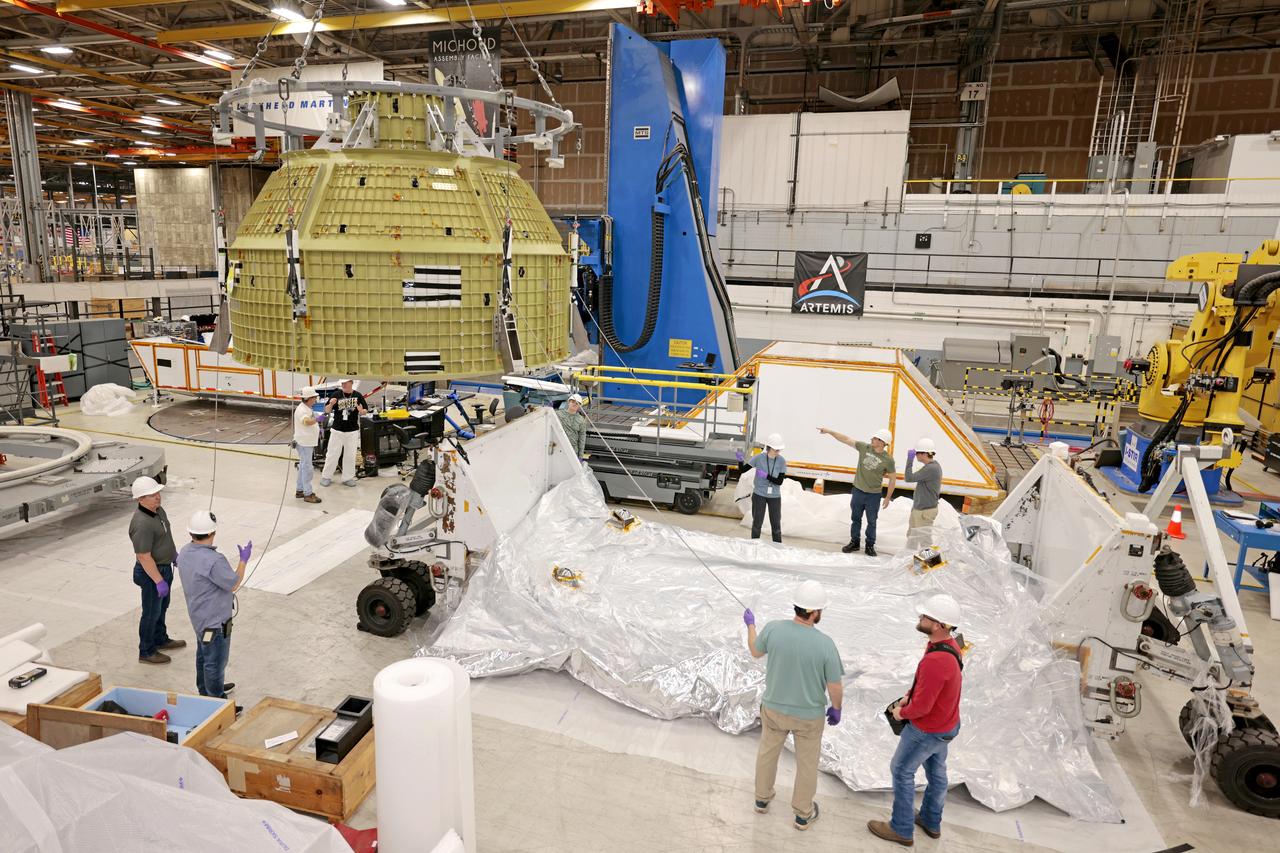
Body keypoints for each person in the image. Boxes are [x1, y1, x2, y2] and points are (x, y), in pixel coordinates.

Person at [745, 580, 845, 832]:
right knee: (807, 764)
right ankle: (802, 814)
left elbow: (755, 651)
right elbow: (835, 685)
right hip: (808, 717)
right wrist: (836, 708)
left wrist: (751, 625)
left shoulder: (774, 629)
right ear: (814, 612)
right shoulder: (825, 644)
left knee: (767, 755)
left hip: (774, 710)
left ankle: (761, 799)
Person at [868, 594, 964, 847]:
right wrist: (911, 694)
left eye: (925, 616)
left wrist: (902, 712)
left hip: (927, 729)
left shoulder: (936, 660)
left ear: (940, 625)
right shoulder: (948, 647)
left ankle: (901, 829)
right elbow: (932, 687)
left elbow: (922, 707)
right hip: (946, 724)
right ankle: (931, 822)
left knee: (901, 771)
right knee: (937, 771)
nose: (920, 618)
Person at [176, 510, 250, 699]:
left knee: (203, 654)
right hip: (215, 623)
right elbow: (233, 583)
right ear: (212, 533)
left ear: (190, 533)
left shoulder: (184, 552)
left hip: (199, 617)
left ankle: (206, 689)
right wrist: (243, 560)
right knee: (215, 661)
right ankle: (216, 700)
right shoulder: (214, 560)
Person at [129, 476, 185, 665]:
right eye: (152, 495)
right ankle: (146, 650)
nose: (157, 497)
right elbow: (143, 556)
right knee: (151, 612)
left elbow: (165, 537)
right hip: (152, 573)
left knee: (162, 607)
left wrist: (173, 555)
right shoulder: (141, 524)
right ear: (140, 499)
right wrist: (158, 580)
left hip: (164, 567)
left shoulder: (158, 511)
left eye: (157, 493)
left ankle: (160, 638)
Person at [818, 426, 896, 557]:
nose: (872, 439)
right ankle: (854, 542)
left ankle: (870, 545)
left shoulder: (888, 460)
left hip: (874, 495)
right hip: (858, 491)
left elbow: (893, 480)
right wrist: (830, 431)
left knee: (872, 521)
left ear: (882, 442)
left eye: (875, 438)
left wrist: (888, 498)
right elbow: (846, 439)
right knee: (855, 518)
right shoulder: (864, 447)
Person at [737, 433, 786, 543]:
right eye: (776, 449)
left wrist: (766, 476)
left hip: (775, 496)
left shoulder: (782, 461)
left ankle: (777, 551)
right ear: (769, 447)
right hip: (759, 495)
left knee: (776, 527)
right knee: (757, 524)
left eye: (779, 449)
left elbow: (779, 482)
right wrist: (739, 459)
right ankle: (755, 547)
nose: (778, 451)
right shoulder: (758, 458)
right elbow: (742, 471)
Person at [321, 378, 368, 487]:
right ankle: (326, 476)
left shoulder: (358, 395)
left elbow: (364, 411)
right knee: (332, 454)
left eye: (345, 383)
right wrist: (331, 404)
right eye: (342, 383)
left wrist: (361, 411)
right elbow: (327, 410)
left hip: (352, 431)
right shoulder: (336, 394)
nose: (343, 385)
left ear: (351, 383)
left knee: (350, 455)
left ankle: (348, 477)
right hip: (337, 430)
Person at [904, 438, 942, 548]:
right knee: (912, 538)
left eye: (917, 453)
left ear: (924, 454)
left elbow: (909, 477)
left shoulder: (931, 468)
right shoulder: (930, 467)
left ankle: (931, 563)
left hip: (925, 512)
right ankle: (909, 561)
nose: (915, 455)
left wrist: (909, 460)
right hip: (919, 509)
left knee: (925, 542)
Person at [293, 387, 322, 504]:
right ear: (309, 398)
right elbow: (306, 422)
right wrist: (318, 419)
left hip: (306, 442)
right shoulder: (301, 410)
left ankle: (300, 490)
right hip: (304, 443)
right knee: (307, 468)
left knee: (303, 466)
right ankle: (308, 494)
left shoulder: (306, 408)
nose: (315, 400)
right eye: (314, 398)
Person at [557, 393, 589, 459]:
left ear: (580, 406)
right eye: (573, 402)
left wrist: (580, 456)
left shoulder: (581, 420)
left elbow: (582, 439)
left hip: (573, 450)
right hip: (559, 448)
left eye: (577, 403)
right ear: (568, 402)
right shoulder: (558, 414)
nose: (574, 404)